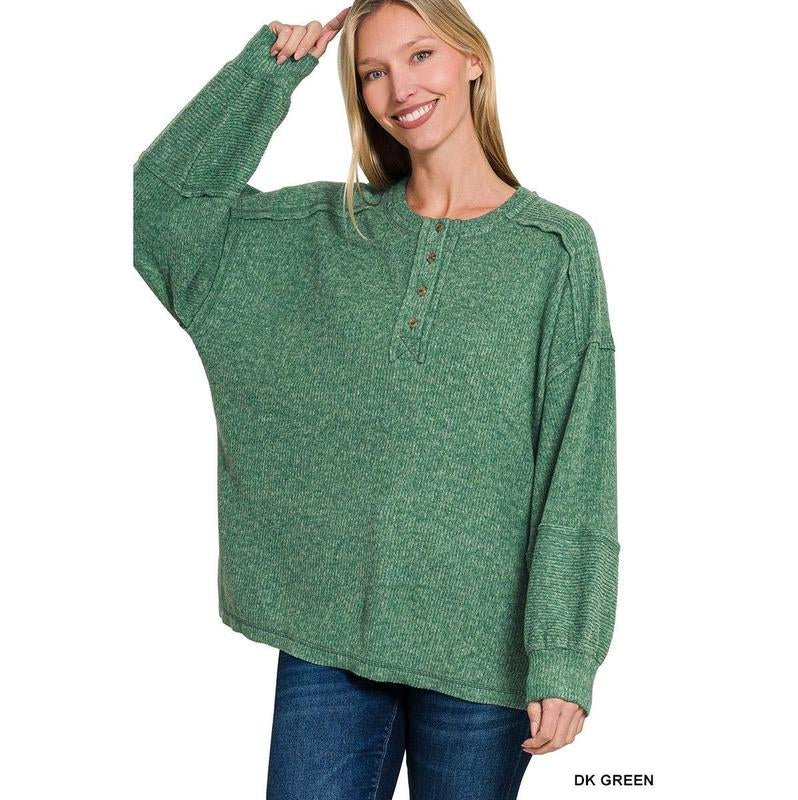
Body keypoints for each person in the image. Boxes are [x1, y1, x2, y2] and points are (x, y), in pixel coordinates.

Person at [132, 1, 620, 797]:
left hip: (483, 658)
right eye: (372, 72)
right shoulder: (322, 230)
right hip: (328, 639)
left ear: (472, 59)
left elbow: (579, 463)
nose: (400, 89)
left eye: (421, 56)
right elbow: (160, 214)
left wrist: (564, 653)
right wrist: (264, 80)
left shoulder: (554, 251)